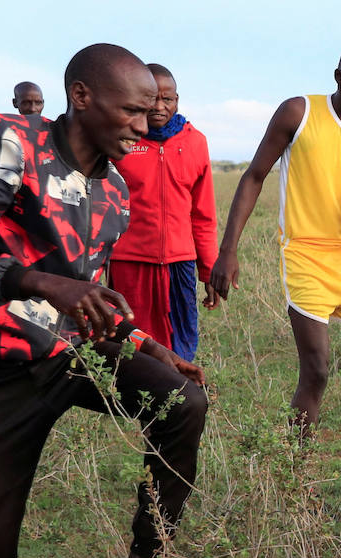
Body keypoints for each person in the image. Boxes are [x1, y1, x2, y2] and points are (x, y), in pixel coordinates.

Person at [0, 43, 222, 558]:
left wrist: (144, 344)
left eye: (151, 113)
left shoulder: (112, 192)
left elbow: (87, 302)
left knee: (183, 402)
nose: (146, 126)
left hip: (66, 354)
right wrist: (42, 282)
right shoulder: (1, 141)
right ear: (82, 97)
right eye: (133, 112)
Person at [210, 40, 341, 480]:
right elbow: (254, 175)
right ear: (338, 77)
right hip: (306, 257)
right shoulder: (300, 112)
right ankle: (297, 477)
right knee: (316, 372)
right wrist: (228, 250)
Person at [108, 63, 219, 361]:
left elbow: (203, 214)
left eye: (167, 99)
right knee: (133, 342)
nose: (159, 106)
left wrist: (208, 270)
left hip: (179, 262)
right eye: (152, 98)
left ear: (177, 100)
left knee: (180, 339)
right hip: (128, 261)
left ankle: (179, 398)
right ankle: (139, 402)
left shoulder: (195, 142)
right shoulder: (119, 140)